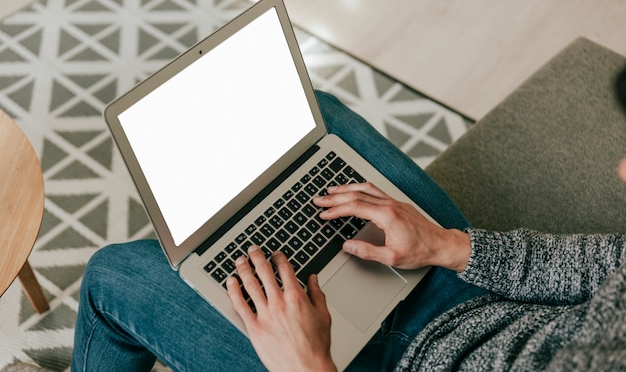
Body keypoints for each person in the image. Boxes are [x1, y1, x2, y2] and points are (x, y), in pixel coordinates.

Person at [71, 90, 626, 372]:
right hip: (473, 294)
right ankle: (232, 236)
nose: (621, 168)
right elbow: (606, 264)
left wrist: (307, 360)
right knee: (310, 117)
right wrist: (447, 246)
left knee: (111, 275)